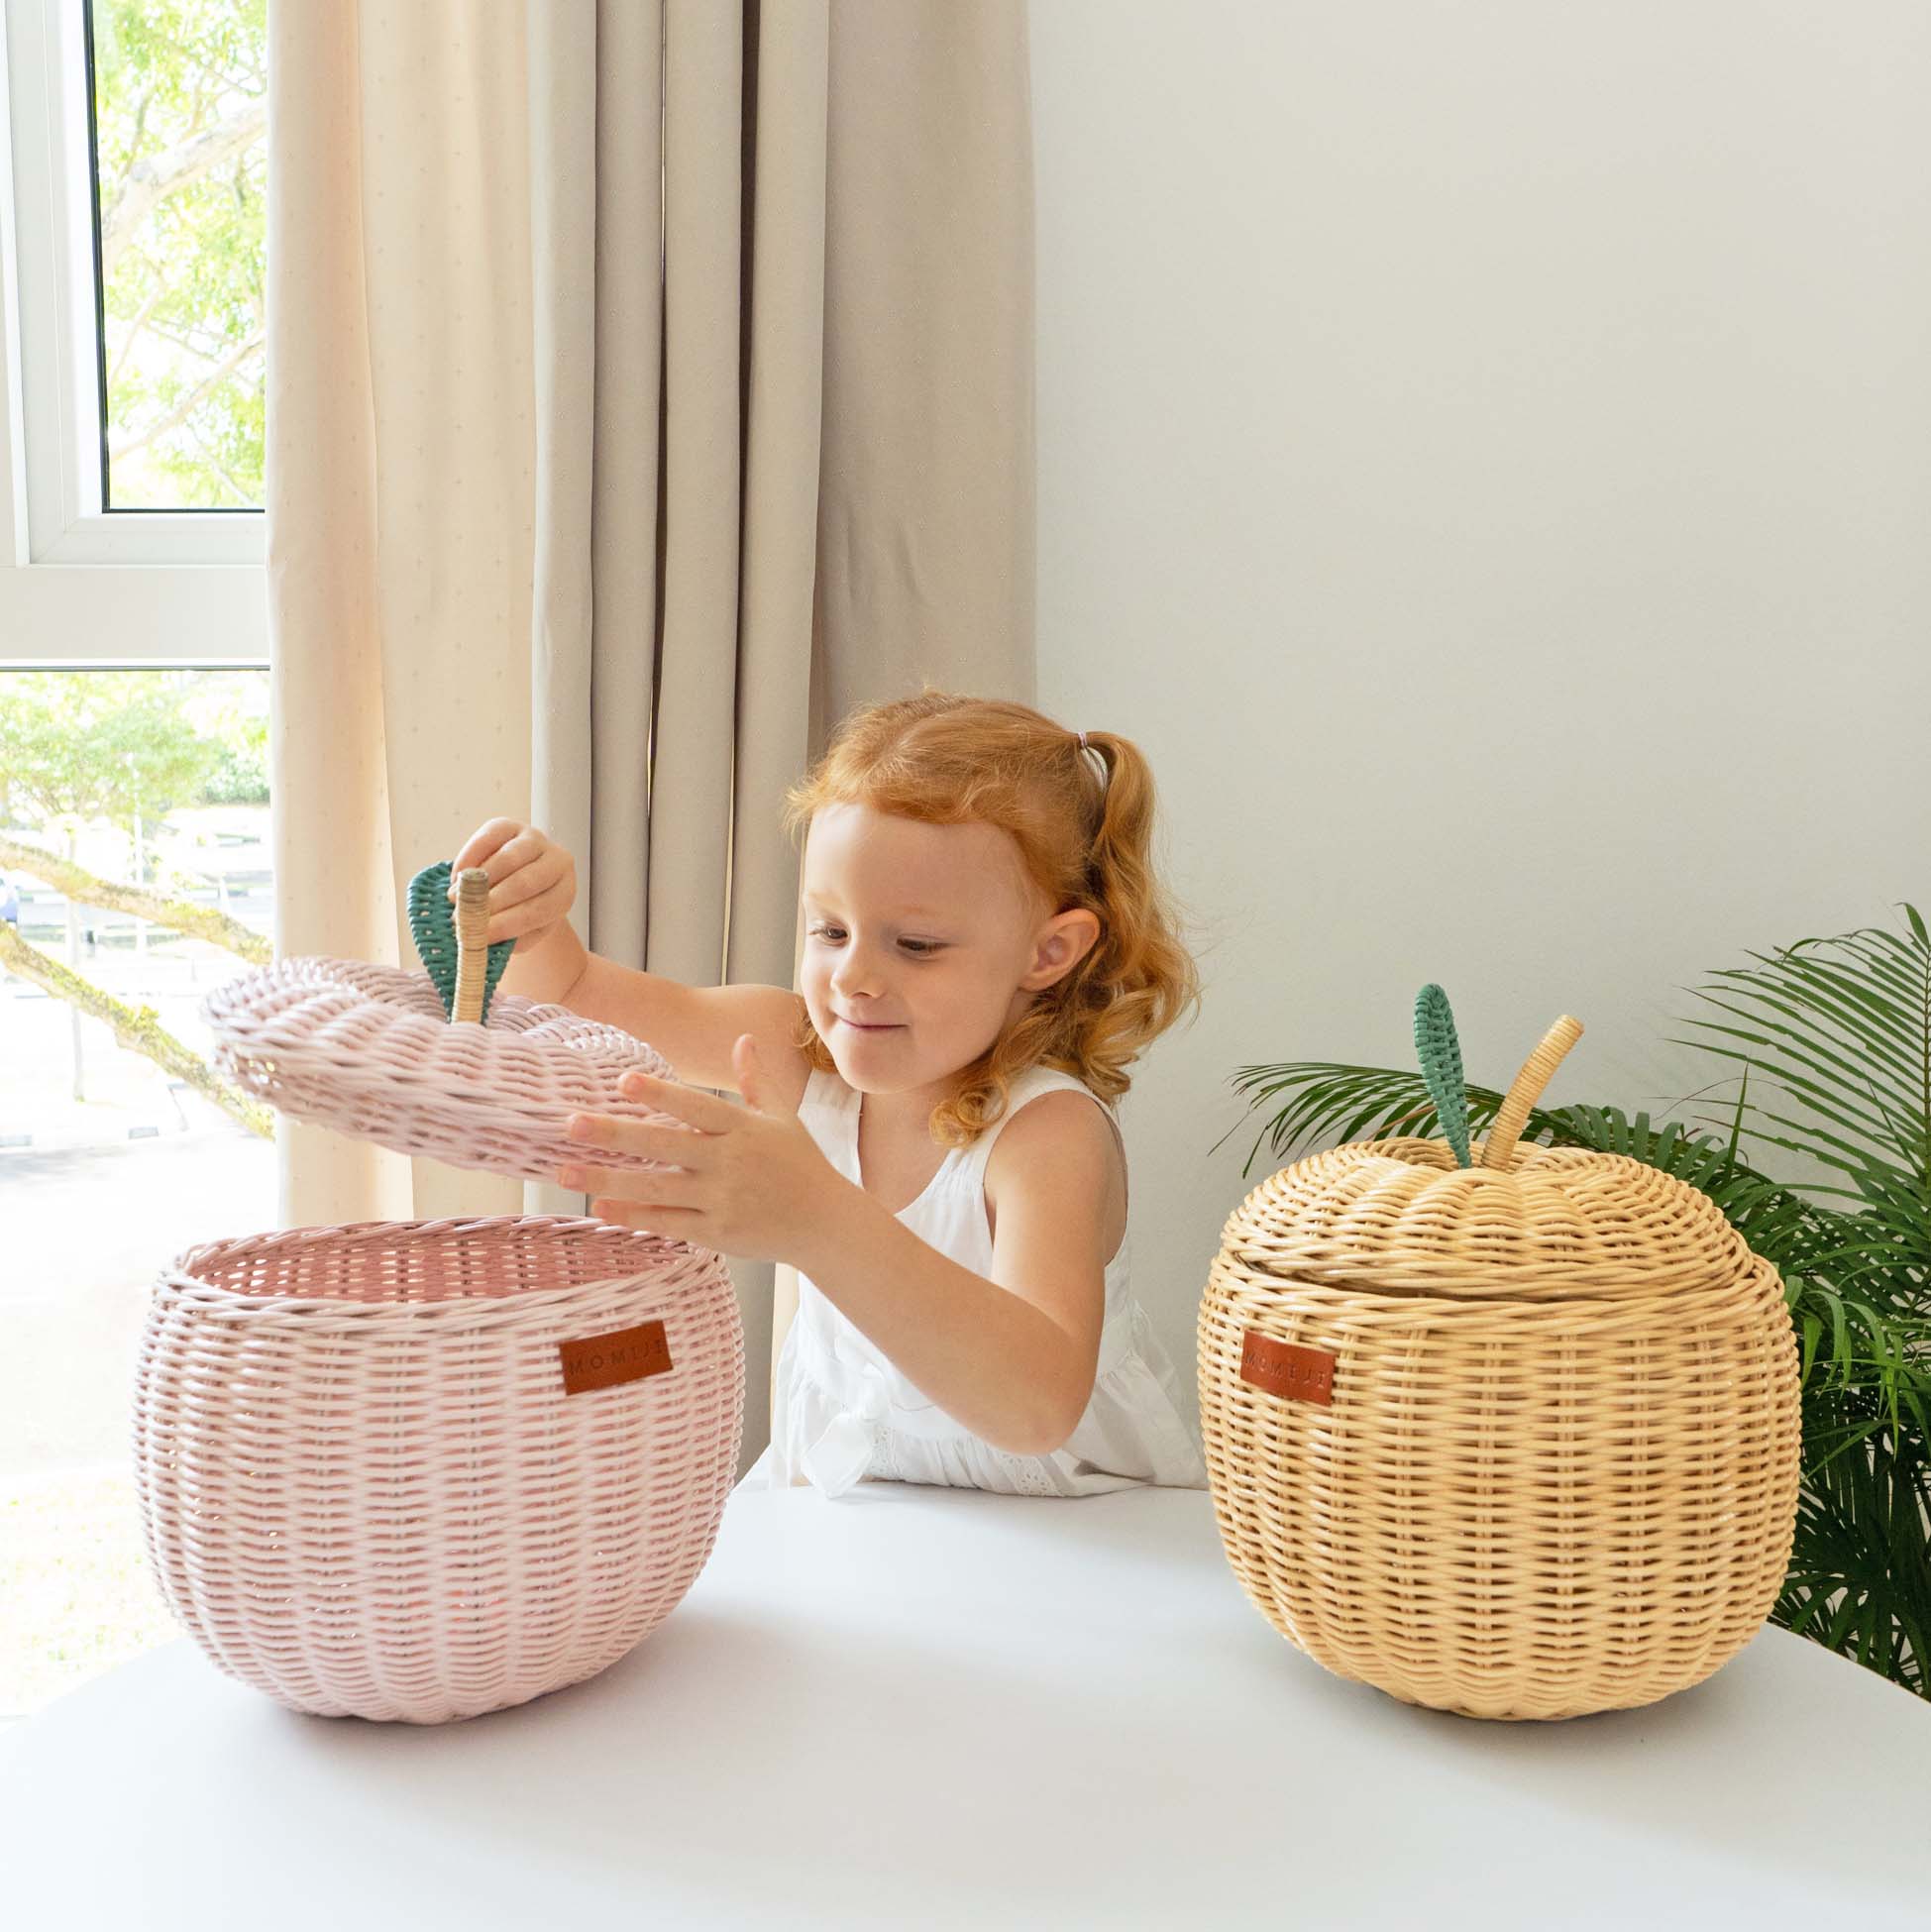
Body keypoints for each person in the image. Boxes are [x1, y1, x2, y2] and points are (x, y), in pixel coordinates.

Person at [450, 689, 1209, 1499]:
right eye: (829, 930)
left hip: (1081, 1543)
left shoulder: (1045, 1133)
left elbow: (1034, 1409)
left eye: (914, 944)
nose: (852, 978)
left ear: (1049, 951)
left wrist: (819, 1218)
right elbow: (566, 990)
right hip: (862, 1516)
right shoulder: (793, 1055)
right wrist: (528, 913)